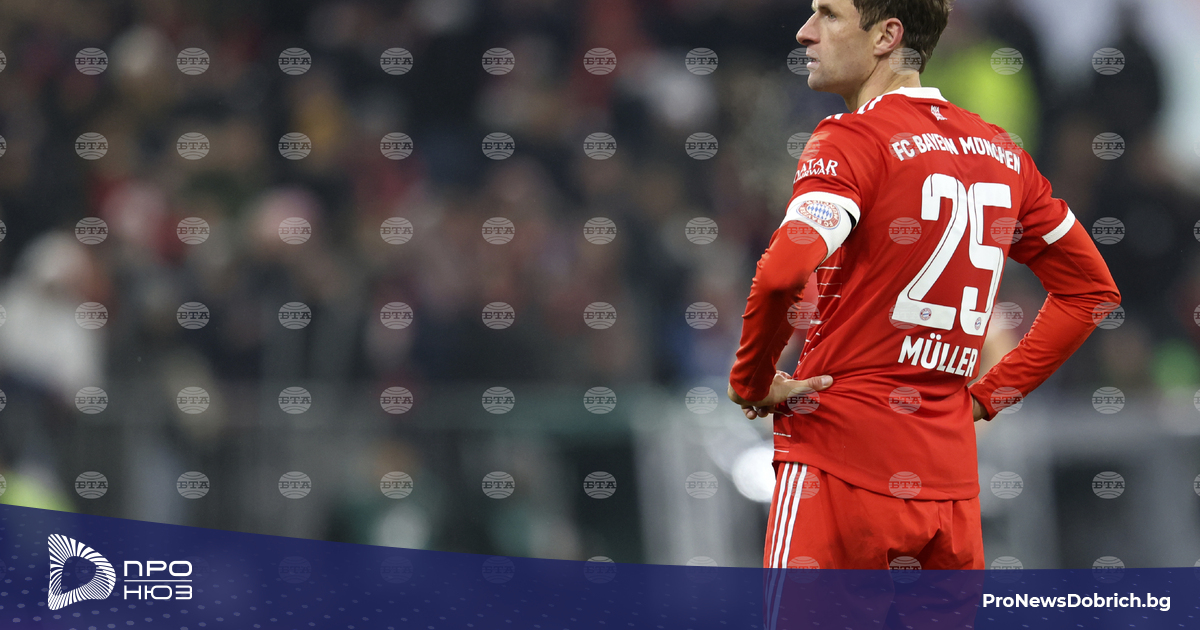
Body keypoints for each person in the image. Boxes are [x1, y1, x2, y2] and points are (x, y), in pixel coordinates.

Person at [727, 0, 1120, 574]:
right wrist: (988, 396)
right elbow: (1092, 293)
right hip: (951, 499)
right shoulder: (1003, 154)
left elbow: (782, 274)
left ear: (887, 36)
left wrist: (752, 380)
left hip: (838, 472)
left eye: (828, 15)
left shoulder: (851, 140)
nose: (805, 33)